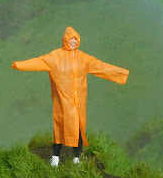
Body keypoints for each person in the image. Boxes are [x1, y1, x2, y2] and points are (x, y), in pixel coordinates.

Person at [11, 26, 129, 166]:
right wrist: (19, 64)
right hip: (63, 102)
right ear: (65, 40)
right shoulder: (55, 56)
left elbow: (100, 67)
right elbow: (39, 61)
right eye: (71, 39)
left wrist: (120, 73)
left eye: (75, 39)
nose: (73, 42)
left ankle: (76, 157)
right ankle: (55, 157)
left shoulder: (84, 58)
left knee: (79, 129)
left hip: (79, 102)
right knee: (60, 128)